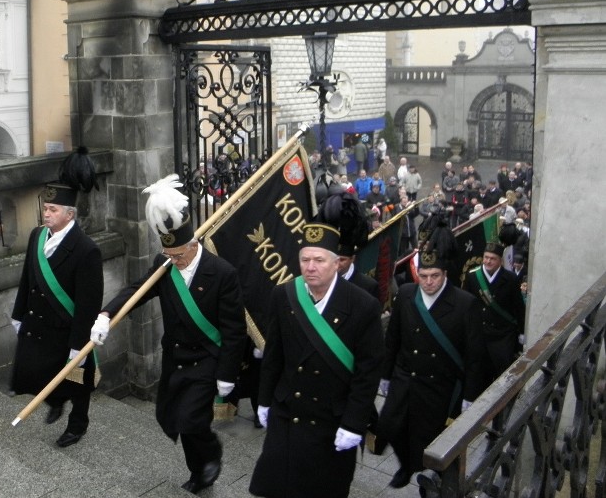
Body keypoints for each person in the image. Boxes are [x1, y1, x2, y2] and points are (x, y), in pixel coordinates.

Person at [90, 175, 244, 494]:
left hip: (206, 360)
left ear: (193, 244)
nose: (174, 261)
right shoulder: (165, 265)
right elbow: (136, 291)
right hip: (176, 358)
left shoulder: (222, 274)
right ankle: (198, 468)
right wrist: (106, 314)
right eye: (169, 255)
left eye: (179, 256)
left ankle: (210, 456)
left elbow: (234, 330)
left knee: (190, 421)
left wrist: (227, 373)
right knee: (171, 418)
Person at [249, 223, 384, 498]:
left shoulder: (363, 305)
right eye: (305, 259)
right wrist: (264, 400)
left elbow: (367, 373)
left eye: (319, 260)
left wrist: (354, 423)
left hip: (331, 422)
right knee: (278, 487)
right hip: (289, 414)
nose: (310, 267)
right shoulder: (284, 295)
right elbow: (274, 355)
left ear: (337, 264)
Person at [377, 238, 487, 489]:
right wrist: (385, 375)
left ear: (445, 274)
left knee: (427, 438)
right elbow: (392, 337)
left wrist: (470, 395)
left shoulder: (464, 303)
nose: (428, 282)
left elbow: (474, 355)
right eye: (423, 275)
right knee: (390, 426)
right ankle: (406, 464)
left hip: (438, 384)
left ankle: (431, 483)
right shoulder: (406, 294)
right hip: (404, 377)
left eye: (434, 276)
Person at [10, 148, 103, 447]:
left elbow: (89, 304)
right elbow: (27, 278)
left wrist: (80, 346)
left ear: (70, 214)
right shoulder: (36, 236)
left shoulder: (87, 250)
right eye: (45, 208)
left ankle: (78, 425)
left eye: (52, 210)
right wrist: (18, 312)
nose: (45, 214)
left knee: (78, 380)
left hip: (68, 329)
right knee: (35, 370)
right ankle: (54, 401)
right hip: (40, 324)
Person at [463, 242, 525, 387]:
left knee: (502, 377)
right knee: (479, 375)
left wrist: (522, 332)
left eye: (492, 258)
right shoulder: (473, 277)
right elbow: (466, 307)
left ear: (500, 261)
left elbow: (518, 307)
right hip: (480, 333)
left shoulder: (510, 279)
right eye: (486, 257)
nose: (488, 261)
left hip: (502, 336)